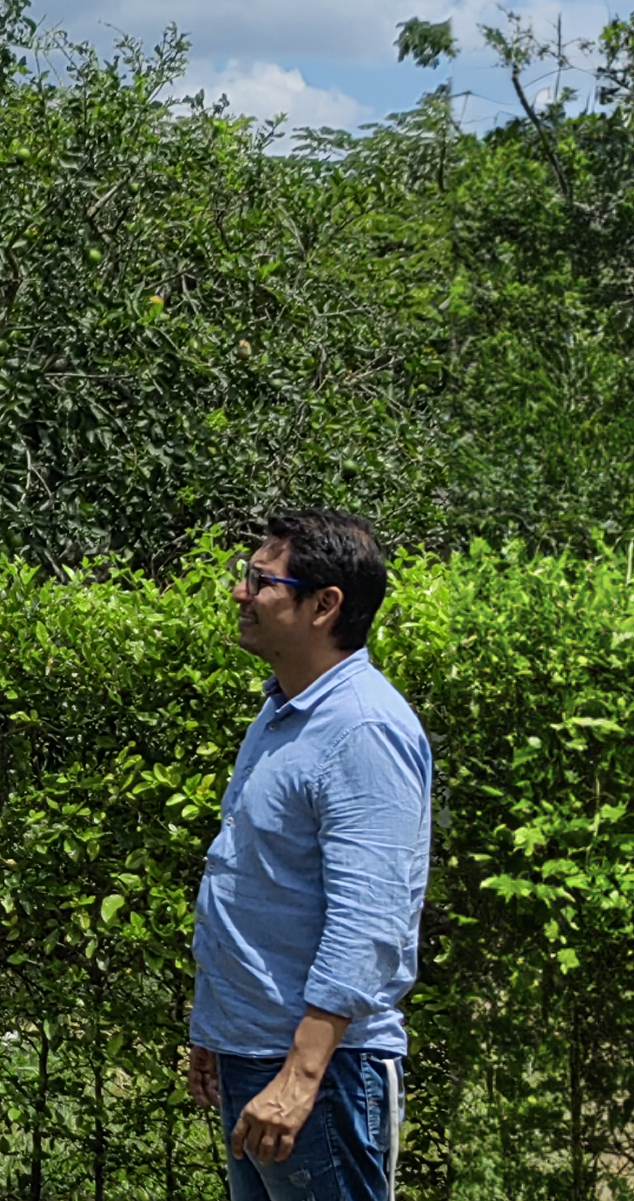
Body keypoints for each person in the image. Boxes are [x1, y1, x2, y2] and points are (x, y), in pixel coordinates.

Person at [187, 510, 432, 1201]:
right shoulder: (285, 709)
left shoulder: (362, 726)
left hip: (322, 1075)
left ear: (325, 605)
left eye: (262, 580)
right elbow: (261, 884)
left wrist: (299, 1076)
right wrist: (217, 1028)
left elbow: (370, 919)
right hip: (257, 1055)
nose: (241, 593)